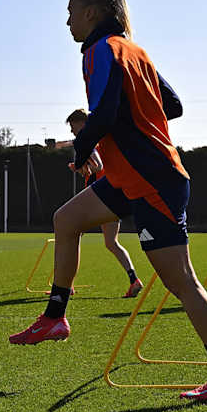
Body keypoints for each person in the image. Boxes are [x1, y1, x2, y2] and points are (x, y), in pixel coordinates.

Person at [9, 0, 207, 403]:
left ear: (91, 14)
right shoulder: (133, 50)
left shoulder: (101, 51)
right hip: (127, 176)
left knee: (183, 283)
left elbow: (106, 112)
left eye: (70, 12)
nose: (66, 21)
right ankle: (55, 317)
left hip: (152, 179)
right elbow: (172, 105)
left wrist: (83, 148)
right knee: (67, 220)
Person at [65, 108, 144, 298]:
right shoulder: (103, 139)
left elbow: (98, 165)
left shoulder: (89, 140)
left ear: (81, 123)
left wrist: (81, 167)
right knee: (111, 242)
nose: (71, 131)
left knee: (70, 231)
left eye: (72, 126)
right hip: (113, 198)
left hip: (100, 198)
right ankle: (134, 279)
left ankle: (65, 285)